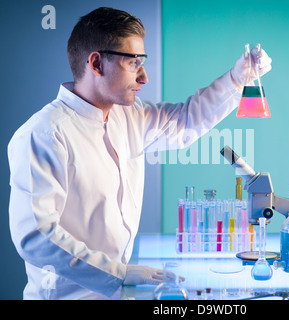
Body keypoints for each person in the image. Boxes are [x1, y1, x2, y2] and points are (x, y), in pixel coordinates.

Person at [8, 7, 272, 300]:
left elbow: (187, 119)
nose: (144, 77)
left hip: (118, 293)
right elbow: (36, 236)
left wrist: (237, 79)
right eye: (134, 63)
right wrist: (118, 273)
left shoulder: (128, 116)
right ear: (96, 63)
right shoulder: (45, 134)